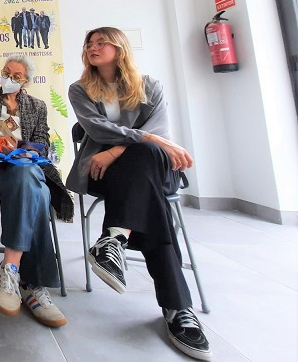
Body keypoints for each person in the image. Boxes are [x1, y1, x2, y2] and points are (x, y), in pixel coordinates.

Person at [67, 27, 211, 361]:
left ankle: (115, 237)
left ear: (119, 47)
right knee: (150, 191)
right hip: (106, 174)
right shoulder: (80, 89)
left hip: (149, 171)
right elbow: (96, 129)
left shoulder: (150, 86)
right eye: (89, 43)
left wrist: (117, 150)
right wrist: (146, 143)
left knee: (145, 160)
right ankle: (178, 308)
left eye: (101, 42)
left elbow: (157, 129)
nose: (93, 47)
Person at [0, 54, 72, 327]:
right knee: (37, 192)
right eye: (6, 72)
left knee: (27, 175)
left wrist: (18, 149)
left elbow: (42, 143)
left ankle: (12, 270)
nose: (8, 78)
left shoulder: (37, 106)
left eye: (15, 75)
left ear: (26, 81)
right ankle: (35, 288)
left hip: (23, 167)